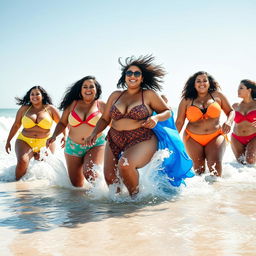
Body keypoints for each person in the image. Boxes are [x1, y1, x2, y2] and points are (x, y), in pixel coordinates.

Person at [85, 55, 171, 197]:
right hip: (114, 138)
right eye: (129, 73)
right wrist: (94, 133)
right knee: (109, 177)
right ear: (124, 77)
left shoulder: (148, 94)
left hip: (142, 137)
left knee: (125, 165)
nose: (133, 76)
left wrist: (156, 118)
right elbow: (105, 119)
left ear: (142, 78)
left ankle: (135, 200)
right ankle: (118, 210)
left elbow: (167, 111)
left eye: (137, 73)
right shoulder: (115, 96)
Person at [47, 76, 106, 187]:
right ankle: (82, 204)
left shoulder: (102, 105)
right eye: (85, 87)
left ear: (96, 89)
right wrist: (54, 135)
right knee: (76, 185)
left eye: (91, 87)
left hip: (96, 144)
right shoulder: (72, 104)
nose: (88, 89)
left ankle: (102, 198)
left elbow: (112, 123)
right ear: (80, 90)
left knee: (90, 173)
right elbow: (62, 123)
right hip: (73, 146)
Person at [175, 71, 234, 176]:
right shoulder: (186, 100)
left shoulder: (218, 96)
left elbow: (231, 111)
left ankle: (217, 191)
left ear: (209, 83)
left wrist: (229, 121)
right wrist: (172, 139)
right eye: (198, 81)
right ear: (194, 84)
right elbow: (179, 122)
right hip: (192, 138)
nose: (202, 83)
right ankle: (202, 192)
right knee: (199, 170)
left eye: (204, 80)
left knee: (215, 168)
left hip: (215, 135)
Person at [5, 86, 65, 180]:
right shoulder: (24, 109)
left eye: (37, 94)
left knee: (42, 166)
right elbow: (16, 125)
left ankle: (37, 189)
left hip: (46, 141)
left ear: (42, 96)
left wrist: (64, 136)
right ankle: (17, 185)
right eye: (32, 94)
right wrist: (8, 140)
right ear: (29, 96)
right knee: (22, 161)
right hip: (24, 140)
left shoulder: (50, 109)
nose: (34, 96)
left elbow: (61, 123)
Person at [231, 79, 256, 164]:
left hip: (254, 137)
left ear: (249, 90)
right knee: (241, 164)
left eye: (241, 88)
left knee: (250, 160)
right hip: (236, 138)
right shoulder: (235, 106)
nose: (238, 90)